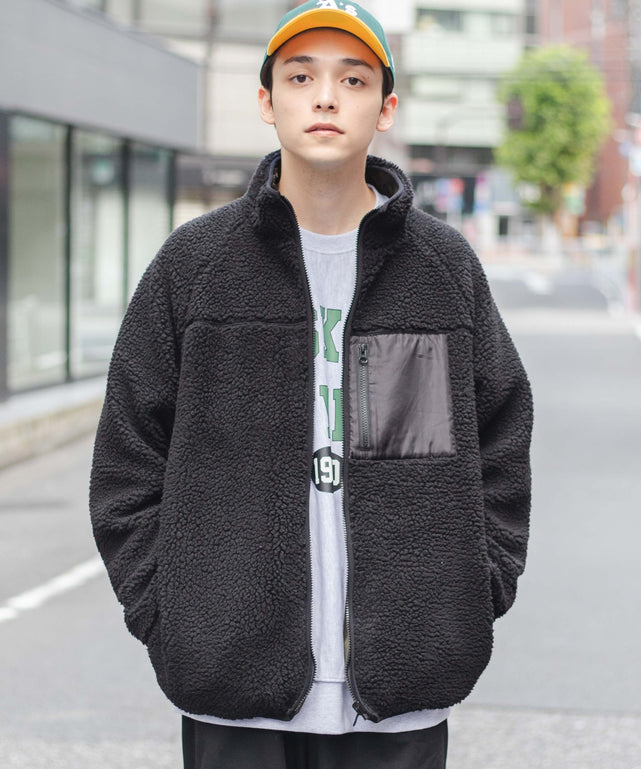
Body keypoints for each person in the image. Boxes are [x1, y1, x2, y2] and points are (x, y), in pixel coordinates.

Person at [89, 2, 533, 767]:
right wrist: (169, 613)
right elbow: (128, 457)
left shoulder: (439, 270)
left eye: (352, 79)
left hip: (399, 699)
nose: (325, 97)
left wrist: (472, 592)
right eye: (301, 77)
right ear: (266, 100)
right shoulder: (195, 266)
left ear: (385, 107)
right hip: (231, 692)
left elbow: (500, 435)